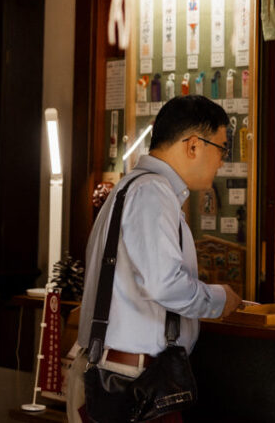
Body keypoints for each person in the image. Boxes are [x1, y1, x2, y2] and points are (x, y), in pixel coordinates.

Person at [67, 95, 241, 422]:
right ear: (193, 145)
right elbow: (164, 283)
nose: (222, 161)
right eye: (221, 148)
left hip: (121, 376)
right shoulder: (152, 192)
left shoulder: (132, 186)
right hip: (134, 382)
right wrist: (219, 299)